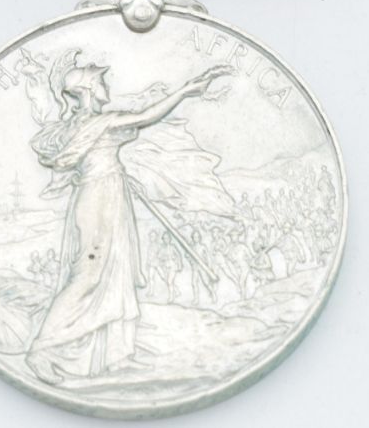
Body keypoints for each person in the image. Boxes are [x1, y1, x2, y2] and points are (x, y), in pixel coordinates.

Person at [24, 49, 234, 383]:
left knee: (117, 269)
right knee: (89, 274)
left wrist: (118, 174)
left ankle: (115, 356)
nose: (107, 85)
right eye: (101, 81)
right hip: (98, 199)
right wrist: (184, 91)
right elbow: (146, 117)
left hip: (109, 193)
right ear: (89, 89)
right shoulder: (99, 123)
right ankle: (42, 349)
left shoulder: (86, 125)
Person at [186, 230, 217, 306]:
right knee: (194, 283)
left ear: (199, 238)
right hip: (195, 267)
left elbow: (208, 257)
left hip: (202, 267)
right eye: (194, 237)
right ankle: (196, 299)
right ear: (192, 238)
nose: (196, 238)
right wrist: (189, 258)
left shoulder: (203, 247)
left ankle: (213, 294)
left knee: (206, 282)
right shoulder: (191, 247)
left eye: (197, 237)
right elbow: (188, 256)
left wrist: (209, 267)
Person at [158, 232, 183, 303]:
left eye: (167, 238)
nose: (166, 240)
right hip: (166, 266)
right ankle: (177, 290)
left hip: (173, 266)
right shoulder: (162, 248)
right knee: (168, 281)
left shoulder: (173, 247)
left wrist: (180, 264)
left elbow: (178, 255)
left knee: (169, 281)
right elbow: (159, 256)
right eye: (164, 238)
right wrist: (164, 258)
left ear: (170, 239)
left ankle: (171, 297)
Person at [146, 230, 163, 297]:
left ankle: (175, 290)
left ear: (156, 237)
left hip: (157, 264)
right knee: (150, 278)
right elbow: (149, 256)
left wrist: (158, 257)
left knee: (163, 276)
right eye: (150, 236)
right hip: (151, 264)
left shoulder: (158, 245)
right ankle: (151, 291)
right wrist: (147, 263)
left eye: (153, 236)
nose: (151, 238)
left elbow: (161, 254)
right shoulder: (150, 246)